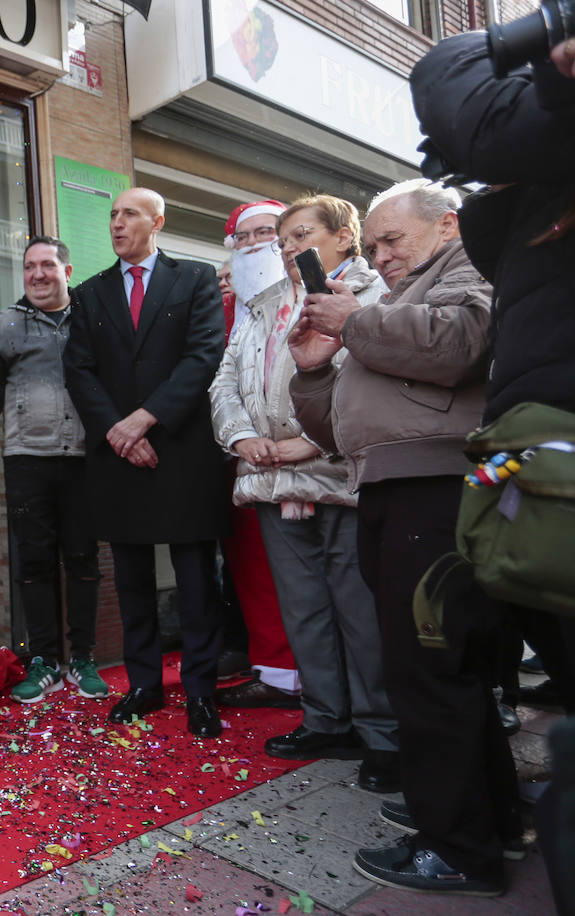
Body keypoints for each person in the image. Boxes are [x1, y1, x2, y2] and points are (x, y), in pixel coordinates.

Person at [287, 179, 513, 896]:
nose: (380, 256)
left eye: (393, 240)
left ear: (446, 225)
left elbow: (462, 345)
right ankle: (486, 817)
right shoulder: (394, 300)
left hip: (434, 490)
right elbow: (340, 427)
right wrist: (314, 373)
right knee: (436, 670)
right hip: (390, 488)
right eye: (376, 244)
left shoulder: (470, 266)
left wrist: (353, 324)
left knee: (431, 672)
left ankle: (457, 845)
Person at [411, 18, 575, 911]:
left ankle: (476, 838)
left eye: (387, 246)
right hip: (545, 484)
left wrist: (534, 41)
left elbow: (450, 80)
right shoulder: (536, 200)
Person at [210, 195, 398, 791]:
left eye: (301, 234)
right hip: (270, 477)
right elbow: (225, 379)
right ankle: (325, 719)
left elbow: (372, 384)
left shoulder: (374, 296)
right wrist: (242, 437)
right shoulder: (260, 304)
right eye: (284, 239)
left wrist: (314, 445)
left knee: (359, 613)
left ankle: (382, 735)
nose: (289, 248)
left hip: (341, 478)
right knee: (305, 611)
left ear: (345, 237)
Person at [64, 187, 228, 738]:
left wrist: (146, 419)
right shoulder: (89, 293)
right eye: (112, 214)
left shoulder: (196, 278)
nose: (117, 222)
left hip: (181, 449)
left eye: (129, 213)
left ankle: (201, 692)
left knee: (196, 579)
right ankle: (143, 685)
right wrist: (120, 431)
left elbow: (204, 354)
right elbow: (79, 371)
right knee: (131, 578)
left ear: (157, 221)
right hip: (117, 454)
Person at [0, 236, 105, 704]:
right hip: (27, 460)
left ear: (67, 271)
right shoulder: (3, 327)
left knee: (84, 559)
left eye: (47, 265)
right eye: (30, 267)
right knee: (35, 562)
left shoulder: (92, 320)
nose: (38, 274)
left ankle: (82, 657)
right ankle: (43, 659)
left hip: (87, 460)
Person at [213, 200, 301, 708]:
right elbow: (221, 382)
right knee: (252, 569)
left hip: (312, 460)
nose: (253, 245)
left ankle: (328, 679)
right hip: (246, 461)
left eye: (265, 234)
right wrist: (241, 436)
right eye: (241, 238)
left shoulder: (318, 290)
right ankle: (277, 673)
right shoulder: (230, 309)